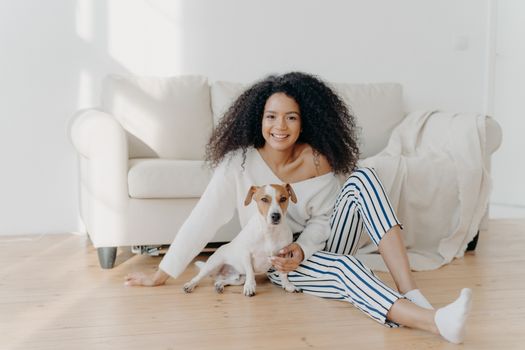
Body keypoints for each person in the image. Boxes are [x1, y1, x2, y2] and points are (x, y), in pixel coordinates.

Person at [125, 72, 472, 344]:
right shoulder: (239, 163)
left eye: (291, 118)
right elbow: (204, 218)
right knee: (345, 269)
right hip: (279, 261)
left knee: (364, 177)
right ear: (257, 119)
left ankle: (410, 292)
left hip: (315, 244)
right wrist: (163, 272)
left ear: (304, 121)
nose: (280, 127)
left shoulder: (319, 158)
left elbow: (324, 219)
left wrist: (304, 248)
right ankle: (435, 322)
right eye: (271, 116)